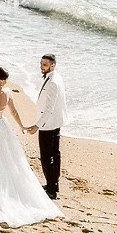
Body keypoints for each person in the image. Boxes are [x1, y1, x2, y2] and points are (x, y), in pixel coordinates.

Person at [0, 67, 62, 227]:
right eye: (5, 79)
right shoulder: (7, 92)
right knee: (6, 162)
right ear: (1, 80)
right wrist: (21, 126)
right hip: (1, 128)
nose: (6, 81)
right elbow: (13, 112)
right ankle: (3, 195)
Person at [27, 53, 66, 199]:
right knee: (55, 155)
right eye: (41, 63)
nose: (41, 67)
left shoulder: (53, 82)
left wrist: (37, 125)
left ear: (52, 65)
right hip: (54, 122)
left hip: (48, 124)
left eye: (44, 64)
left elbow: (49, 107)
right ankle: (53, 185)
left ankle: (51, 189)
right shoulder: (56, 77)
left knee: (46, 157)